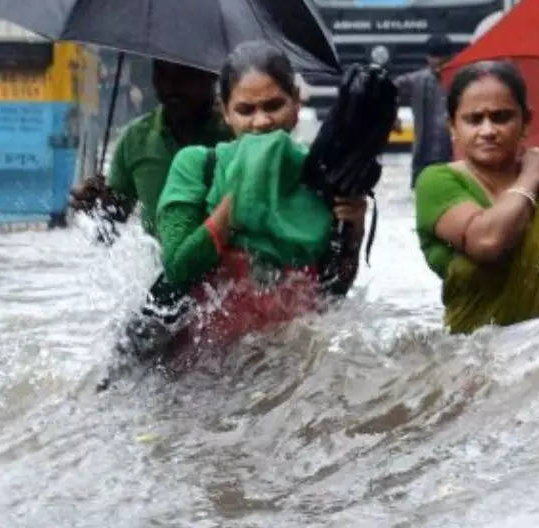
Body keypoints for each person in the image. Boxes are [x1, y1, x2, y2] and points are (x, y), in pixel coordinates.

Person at [152, 40, 368, 355]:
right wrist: (233, 206)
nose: (261, 122)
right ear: (224, 111)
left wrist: (354, 232)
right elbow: (178, 267)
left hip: (286, 367)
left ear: (295, 103)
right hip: (202, 364)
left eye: (273, 105)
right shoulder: (199, 166)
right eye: (245, 110)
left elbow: (331, 294)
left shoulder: (321, 177)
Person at [414, 60, 539, 333]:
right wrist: (530, 179)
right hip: (475, 362)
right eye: (474, 119)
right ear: (452, 126)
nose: (488, 131)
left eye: (501, 117)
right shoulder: (437, 182)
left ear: (525, 121)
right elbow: (487, 241)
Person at [69, 58, 232, 238]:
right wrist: (96, 204)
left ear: (211, 75)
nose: (171, 87)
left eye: (184, 76)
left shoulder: (236, 134)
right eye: (162, 74)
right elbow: (112, 223)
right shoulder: (136, 139)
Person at [395, 35, 458, 187]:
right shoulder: (417, 80)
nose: (438, 69)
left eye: (443, 64)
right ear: (427, 59)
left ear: (452, 58)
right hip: (426, 154)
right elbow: (388, 89)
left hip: (454, 154)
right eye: (434, 64)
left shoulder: (462, 79)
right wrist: (392, 116)